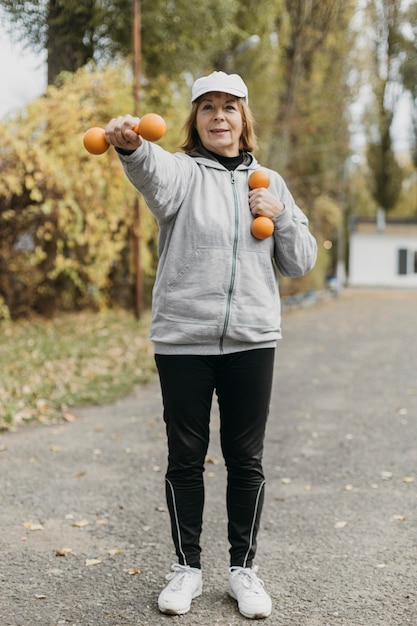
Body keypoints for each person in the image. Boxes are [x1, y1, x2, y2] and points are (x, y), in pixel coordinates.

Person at [104, 71, 317, 620]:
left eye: (229, 107)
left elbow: (300, 263)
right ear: (194, 121)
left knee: (247, 460)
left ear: (244, 120)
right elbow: (152, 171)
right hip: (183, 340)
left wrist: (281, 213)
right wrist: (132, 146)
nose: (219, 116)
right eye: (207, 108)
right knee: (186, 459)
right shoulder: (181, 173)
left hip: (252, 340)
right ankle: (187, 569)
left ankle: (243, 570)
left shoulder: (268, 181)